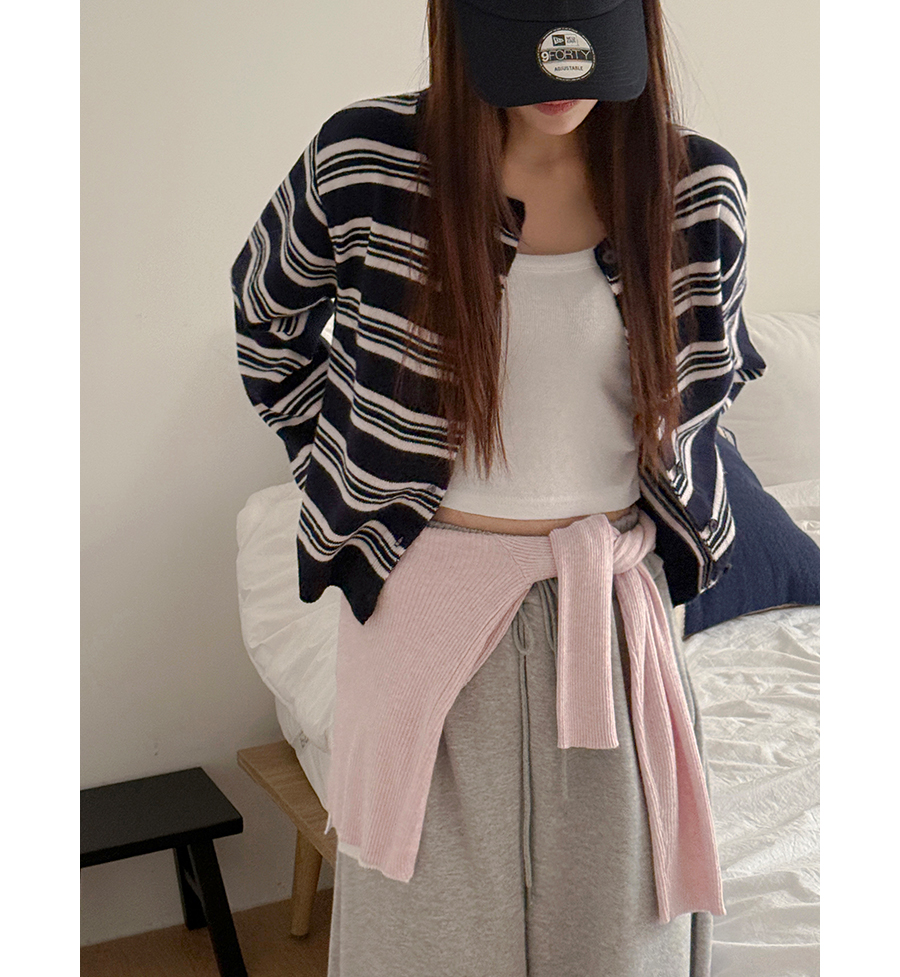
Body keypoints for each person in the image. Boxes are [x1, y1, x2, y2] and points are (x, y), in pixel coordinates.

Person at [231, 1, 766, 974]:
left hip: (611, 611)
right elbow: (267, 321)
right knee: (422, 944)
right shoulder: (366, 161)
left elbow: (708, 385)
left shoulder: (696, 188)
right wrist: (349, 468)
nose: (561, 81)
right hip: (426, 609)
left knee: (619, 944)